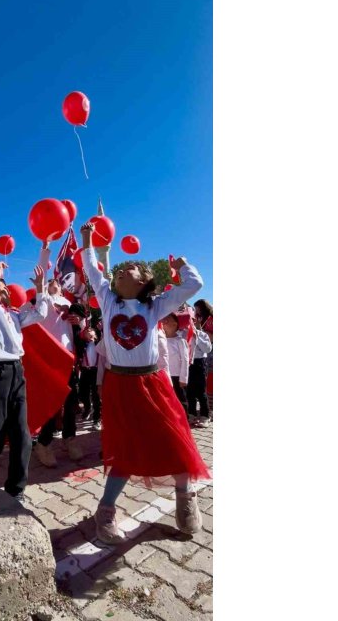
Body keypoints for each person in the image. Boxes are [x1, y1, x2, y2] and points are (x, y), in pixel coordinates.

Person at [79, 221, 209, 544]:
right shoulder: (108, 301)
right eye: (121, 269)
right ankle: (105, 513)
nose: (124, 269)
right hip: (120, 387)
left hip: (154, 384)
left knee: (175, 439)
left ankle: (185, 498)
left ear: (146, 282)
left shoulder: (156, 306)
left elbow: (195, 284)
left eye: (134, 268)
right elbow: (92, 269)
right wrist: (86, 240)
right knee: (124, 450)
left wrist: (181, 267)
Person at [0, 262, 46, 502]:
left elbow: (40, 313)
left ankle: (16, 489)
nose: (5, 289)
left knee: (21, 433)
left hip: (16, 370)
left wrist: (41, 288)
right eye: (1, 286)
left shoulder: (14, 313)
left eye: (5, 286)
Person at [31, 243, 84, 466]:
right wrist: (45, 249)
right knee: (53, 404)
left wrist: (78, 321)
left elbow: (81, 326)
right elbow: (41, 275)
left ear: (62, 289)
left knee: (71, 403)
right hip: (49, 359)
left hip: (69, 359)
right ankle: (43, 444)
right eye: (50, 282)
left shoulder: (69, 303)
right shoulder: (43, 299)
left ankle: (69, 439)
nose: (53, 283)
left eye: (56, 283)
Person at [161, 314, 191, 421]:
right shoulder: (161, 339)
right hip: (164, 375)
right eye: (164, 320)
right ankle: (171, 418)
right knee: (168, 398)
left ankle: (184, 419)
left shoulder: (180, 341)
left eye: (168, 320)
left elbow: (185, 360)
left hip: (177, 376)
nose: (165, 322)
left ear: (175, 324)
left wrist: (183, 378)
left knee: (180, 398)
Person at [187, 324, 213, 427]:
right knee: (189, 391)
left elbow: (207, 349)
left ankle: (205, 416)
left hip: (199, 363)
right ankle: (192, 414)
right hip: (187, 362)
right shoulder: (182, 333)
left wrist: (196, 337)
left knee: (201, 390)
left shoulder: (203, 335)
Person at [77, 324, 101, 430]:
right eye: (87, 330)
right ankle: (87, 408)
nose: (89, 331)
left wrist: (101, 329)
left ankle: (97, 419)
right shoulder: (82, 344)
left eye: (91, 330)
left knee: (96, 396)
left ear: (95, 334)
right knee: (83, 392)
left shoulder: (99, 343)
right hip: (85, 371)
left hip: (95, 371)